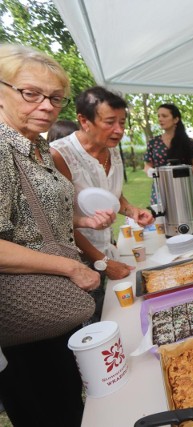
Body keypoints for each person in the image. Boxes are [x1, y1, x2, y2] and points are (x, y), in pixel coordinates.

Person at [0, 44, 115, 427]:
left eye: (55, 98)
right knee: (47, 410)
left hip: (51, 312)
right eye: (30, 93)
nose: (47, 106)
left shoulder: (36, 146)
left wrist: (81, 223)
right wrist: (69, 267)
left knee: (68, 400)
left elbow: (33, 219)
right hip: (19, 317)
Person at [50, 86, 154, 321]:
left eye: (123, 122)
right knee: (96, 320)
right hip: (80, 264)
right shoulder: (59, 155)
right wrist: (103, 262)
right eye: (110, 122)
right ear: (84, 120)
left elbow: (112, 194)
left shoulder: (110, 147)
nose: (119, 131)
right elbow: (60, 222)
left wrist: (131, 210)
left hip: (107, 249)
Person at [143, 103, 193, 205]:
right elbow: (147, 165)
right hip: (161, 189)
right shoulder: (153, 142)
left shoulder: (188, 142)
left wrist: (172, 171)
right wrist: (150, 171)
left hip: (185, 188)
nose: (160, 119)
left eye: (164, 116)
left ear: (176, 119)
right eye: (158, 116)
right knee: (162, 219)